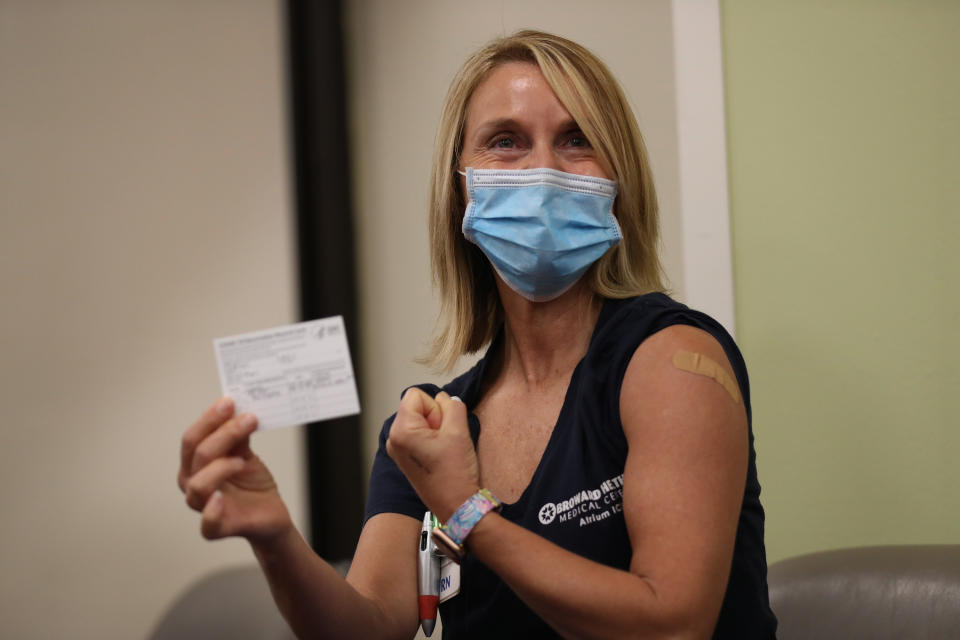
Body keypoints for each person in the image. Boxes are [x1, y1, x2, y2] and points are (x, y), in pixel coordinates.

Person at [178, 30, 777, 639]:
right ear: (460, 184)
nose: (543, 170)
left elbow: (671, 628)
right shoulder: (433, 427)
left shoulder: (673, 360)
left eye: (577, 140)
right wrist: (275, 536)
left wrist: (467, 512)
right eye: (506, 142)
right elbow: (370, 629)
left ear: (619, 184)